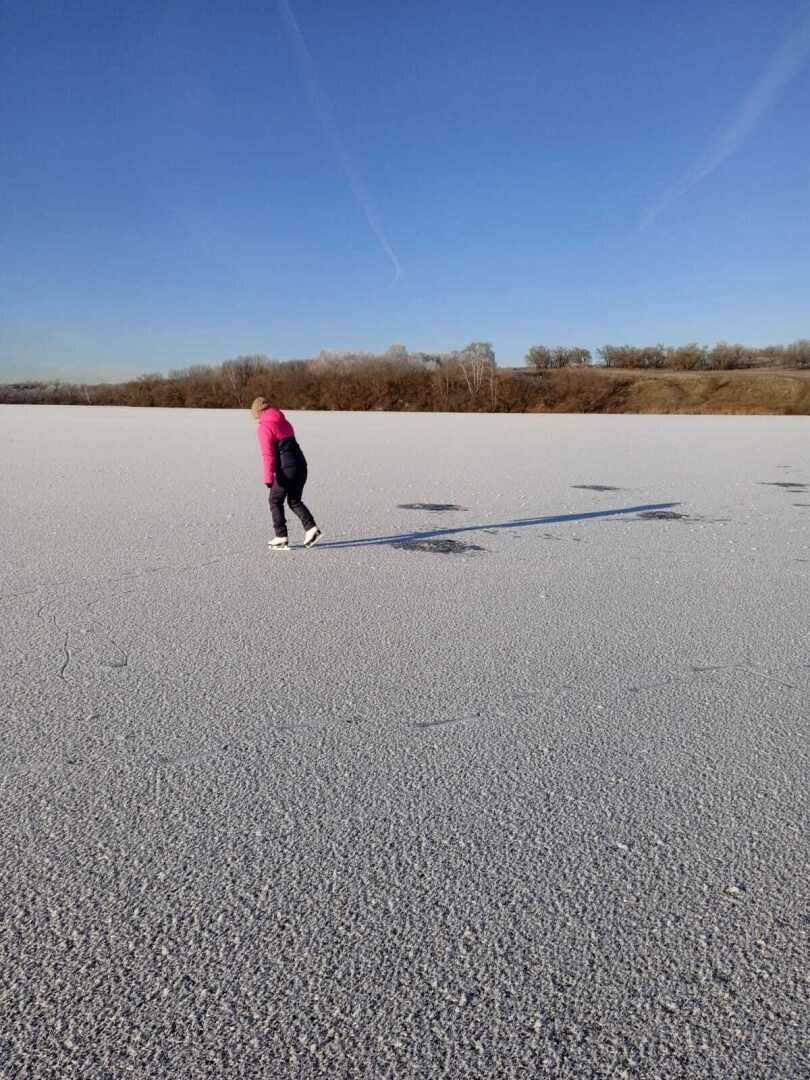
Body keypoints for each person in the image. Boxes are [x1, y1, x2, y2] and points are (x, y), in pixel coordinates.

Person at [251, 397, 321, 550]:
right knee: (294, 500)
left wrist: (268, 478)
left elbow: (268, 455)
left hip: (287, 469)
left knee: (275, 500)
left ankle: (281, 537)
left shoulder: (264, 428)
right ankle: (311, 529)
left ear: (257, 412)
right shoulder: (285, 422)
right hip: (301, 465)